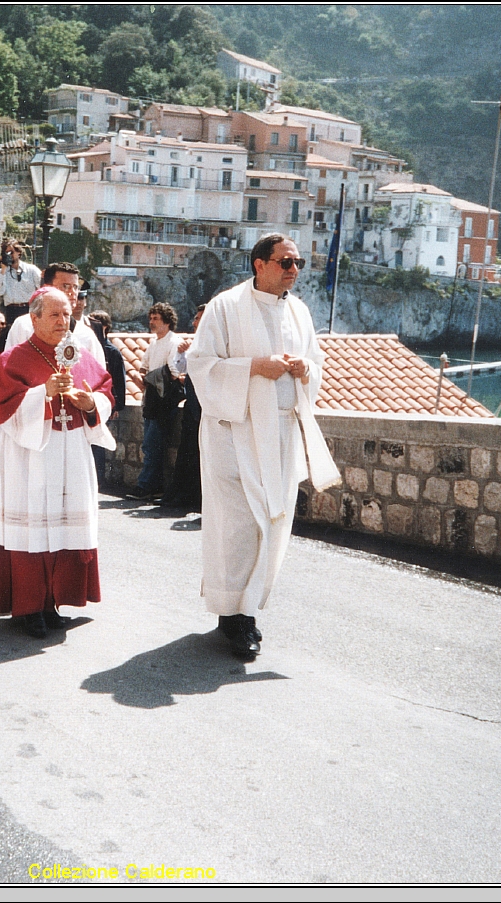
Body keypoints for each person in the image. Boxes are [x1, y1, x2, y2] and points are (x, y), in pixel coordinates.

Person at [186, 234, 340, 658]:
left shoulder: (300, 312)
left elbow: (316, 363)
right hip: (235, 434)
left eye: (298, 262)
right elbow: (201, 366)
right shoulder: (225, 307)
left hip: (281, 435)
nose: (293, 269)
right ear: (259, 264)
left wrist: (304, 368)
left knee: (270, 523)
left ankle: (249, 610)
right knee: (238, 526)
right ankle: (232, 617)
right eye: (285, 261)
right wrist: (255, 367)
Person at [0, 287, 115, 638]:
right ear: (34, 317)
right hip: (30, 457)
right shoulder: (15, 358)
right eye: (54, 314)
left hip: (71, 453)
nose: (62, 320)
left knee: (63, 527)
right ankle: (28, 607)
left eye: (66, 314)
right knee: (34, 530)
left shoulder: (78, 354)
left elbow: (106, 391)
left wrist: (89, 404)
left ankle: (53, 601)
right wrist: (44, 394)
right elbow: (2, 413)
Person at [2, 262, 106, 366]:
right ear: (47, 287)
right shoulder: (24, 325)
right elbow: (10, 368)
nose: (72, 292)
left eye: (75, 287)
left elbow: (99, 376)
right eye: (65, 286)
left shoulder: (86, 334)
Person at [129, 302, 183, 500]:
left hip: (163, 401)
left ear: (167, 322)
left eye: (156, 319)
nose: (151, 322)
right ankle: (153, 486)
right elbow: (144, 366)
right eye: (150, 318)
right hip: (151, 400)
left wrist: (148, 377)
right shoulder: (154, 343)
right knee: (151, 445)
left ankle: (146, 486)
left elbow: (173, 372)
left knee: (153, 445)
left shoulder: (173, 343)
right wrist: (143, 375)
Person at [162, 304, 206, 511]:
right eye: (195, 318)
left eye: (199, 319)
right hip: (192, 407)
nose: (195, 322)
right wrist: (181, 355)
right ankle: (182, 495)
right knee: (187, 452)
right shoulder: (193, 343)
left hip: (205, 408)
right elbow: (178, 369)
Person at [87, 309, 128, 487]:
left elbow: (119, 380)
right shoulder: (88, 347)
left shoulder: (112, 353)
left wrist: (116, 406)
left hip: (104, 404)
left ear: (104, 327)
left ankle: (98, 480)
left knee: (98, 443)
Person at [0, 241, 40, 351]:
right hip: (11, 310)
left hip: (29, 308)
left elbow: (42, 288)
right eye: (6, 253)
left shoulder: (31, 270)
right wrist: (3, 270)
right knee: (7, 342)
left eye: (11, 252)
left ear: (18, 252)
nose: (9, 255)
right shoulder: (1, 272)